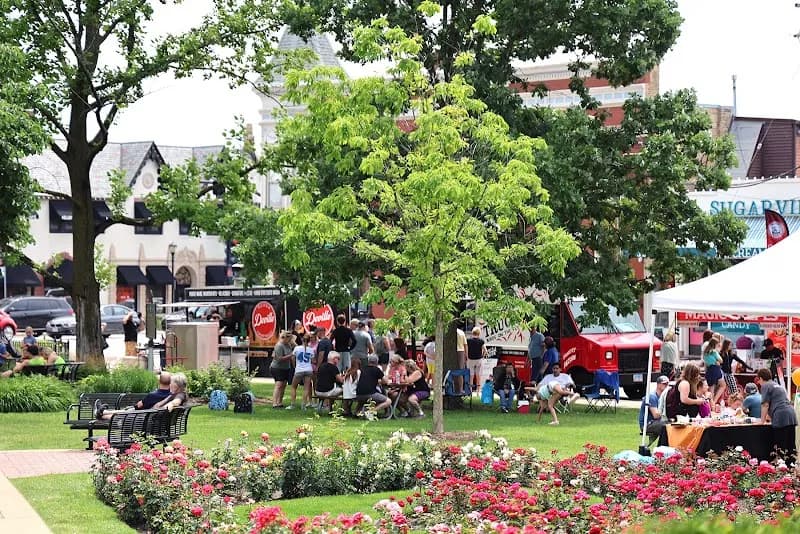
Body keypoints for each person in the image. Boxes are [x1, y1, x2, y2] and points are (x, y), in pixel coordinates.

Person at [96, 373, 188, 419]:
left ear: (176, 385)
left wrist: (171, 404)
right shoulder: (173, 394)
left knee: (127, 413)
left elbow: (177, 401)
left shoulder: (180, 395)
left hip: (147, 420)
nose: (169, 384)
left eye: (171, 383)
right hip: (149, 417)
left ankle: (102, 413)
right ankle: (103, 412)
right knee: (127, 412)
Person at [755, 367, 797, 461]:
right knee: (790, 445)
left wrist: (761, 421)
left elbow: (765, 405)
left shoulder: (765, 386)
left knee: (781, 445)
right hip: (791, 414)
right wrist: (769, 417)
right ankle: (792, 465)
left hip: (781, 416)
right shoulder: (777, 385)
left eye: (759, 380)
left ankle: (781, 465)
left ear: (761, 378)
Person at [287, 333, 315, 410]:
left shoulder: (297, 348)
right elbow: (313, 360)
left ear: (302, 340)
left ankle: (292, 404)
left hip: (299, 370)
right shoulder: (311, 350)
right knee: (306, 388)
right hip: (308, 370)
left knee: (293, 387)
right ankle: (304, 405)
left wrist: (294, 366)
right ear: (309, 341)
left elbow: (292, 358)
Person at [639, 375, 670, 442]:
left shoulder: (664, 396)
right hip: (647, 424)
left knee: (672, 424)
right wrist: (667, 411)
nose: (666, 386)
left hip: (657, 422)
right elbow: (656, 415)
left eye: (667, 384)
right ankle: (663, 446)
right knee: (668, 426)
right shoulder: (652, 397)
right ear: (658, 384)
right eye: (664, 384)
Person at [269, 331, 295, 409]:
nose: (290, 340)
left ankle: (280, 402)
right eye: (289, 339)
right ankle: (274, 403)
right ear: (285, 338)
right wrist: (291, 355)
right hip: (277, 368)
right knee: (279, 384)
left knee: (284, 385)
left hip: (286, 368)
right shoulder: (279, 346)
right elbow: (279, 359)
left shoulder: (288, 345)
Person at [702, 338, 724, 405]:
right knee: (722, 385)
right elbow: (721, 360)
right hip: (715, 369)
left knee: (711, 388)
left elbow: (705, 362)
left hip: (709, 370)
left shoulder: (705, 352)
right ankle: (713, 402)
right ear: (715, 344)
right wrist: (716, 361)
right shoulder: (714, 352)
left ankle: (711, 403)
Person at [466, 327, 488, 391]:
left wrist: (467, 357)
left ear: (472, 333)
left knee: (471, 375)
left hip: (470, 359)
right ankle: (478, 390)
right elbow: (485, 351)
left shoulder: (468, 340)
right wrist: (482, 356)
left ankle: (470, 390)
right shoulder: (481, 341)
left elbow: (467, 350)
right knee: (478, 375)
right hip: (478, 359)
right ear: (479, 333)